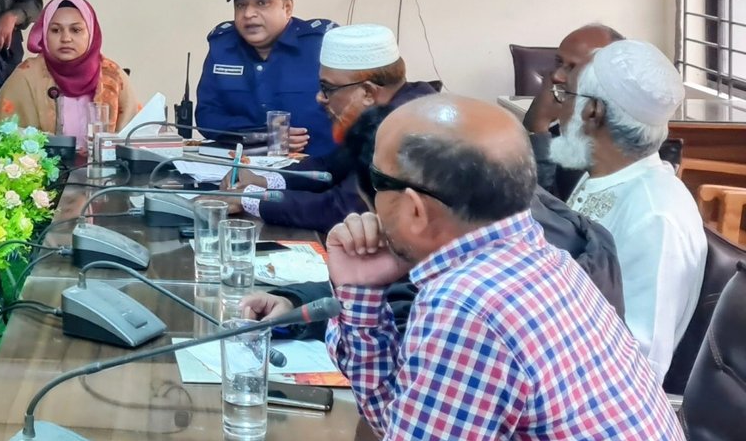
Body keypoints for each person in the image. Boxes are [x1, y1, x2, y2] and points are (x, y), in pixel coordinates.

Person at [324, 94, 711, 441]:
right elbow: (407, 431)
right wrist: (361, 296)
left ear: (415, 209)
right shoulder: (542, 262)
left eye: (377, 181)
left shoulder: (467, 307)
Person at [239, 103, 624, 340]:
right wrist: (302, 301)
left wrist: (330, 305)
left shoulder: (466, 304)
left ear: (413, 209)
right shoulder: (525, 235)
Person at [549, 38, 705, 383]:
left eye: (566, 96)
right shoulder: (605, 176)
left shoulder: (655, 216)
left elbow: (641, 362)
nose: (559, 111)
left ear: (593, 112)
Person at [228, 24, 438, 230]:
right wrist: (263, 179)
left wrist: (249, 198)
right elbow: (330, 167)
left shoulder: (407, 130)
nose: (320, 98)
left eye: (327, 88)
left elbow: (343, 208)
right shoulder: (390, 111)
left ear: (367, 93)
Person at [195, 0, 334, 155]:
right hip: (244, 165)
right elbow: (207, 116)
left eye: (261, 3)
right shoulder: (223, 47)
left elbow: (350, 111)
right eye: (240, 5)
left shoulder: (320, 45)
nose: (248, 14)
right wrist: (261, 135)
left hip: (317, 168)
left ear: (287, 7)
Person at [0, 0, 141, 137]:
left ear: (91, 33)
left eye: (76, 30)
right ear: (45, 34)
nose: (66, 38)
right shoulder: (26, 75)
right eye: (55, 30)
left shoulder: (113, 75)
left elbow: (136, 135)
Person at [522, 23, 624, 197]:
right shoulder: (563, 129)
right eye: (558, 62)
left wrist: (539, 127)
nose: (556, 76)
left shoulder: (611, 144)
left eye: (573, 68)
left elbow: (543, 207)